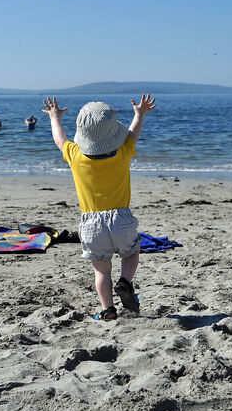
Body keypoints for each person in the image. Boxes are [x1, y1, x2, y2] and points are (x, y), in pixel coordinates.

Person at [42, 93, 156, 321]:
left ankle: (108, 311)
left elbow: (59, 140)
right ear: (112, 135)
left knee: (102, 270)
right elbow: (133, 133)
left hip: (91, 224)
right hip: (121, 219)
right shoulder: (124, 151)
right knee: (132, 251)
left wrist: (55, 117)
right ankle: (125, 281)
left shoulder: (75, 155)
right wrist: (140, 114)